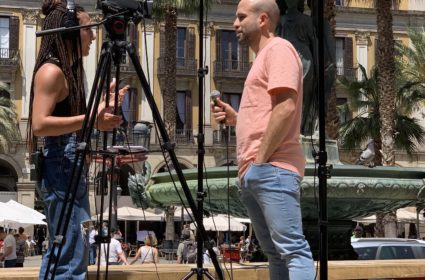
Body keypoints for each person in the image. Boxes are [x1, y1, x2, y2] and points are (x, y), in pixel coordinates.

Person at [211, 0, 315, 278]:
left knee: (292, 250)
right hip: (259, 170)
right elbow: (270, 111)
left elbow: (286, 107)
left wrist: (259, 161)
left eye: (241, 16)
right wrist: (237, 118)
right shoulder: (264, 58)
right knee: (276, 254)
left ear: (263, 20)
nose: (235, 23)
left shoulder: (279, 49)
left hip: (272, 168)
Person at [27, 1, 127, 278]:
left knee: (73, 247)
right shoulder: (52, 71)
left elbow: (71, 128)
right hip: (61, 163)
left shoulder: (69, 72)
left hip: (69, 160)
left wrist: (101, 111)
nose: (94, 35)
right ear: (71, 31)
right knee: (70, 249)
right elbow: (39, 125)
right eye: (87, 28)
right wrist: (92, 118)